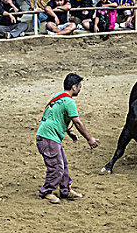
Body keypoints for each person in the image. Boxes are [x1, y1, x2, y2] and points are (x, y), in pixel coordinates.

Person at [36, 73, 99, 204]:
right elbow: (78, 122)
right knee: (57, 167)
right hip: (48, 138)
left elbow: (55, 116)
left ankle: (65, 190)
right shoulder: (69, 101)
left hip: (47, 136)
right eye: (80, 86)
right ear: (74, 87)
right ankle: (46, 192)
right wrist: (89, 139)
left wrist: (68, 131)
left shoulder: (57, 97)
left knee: (62, 164)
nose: (80, 89)